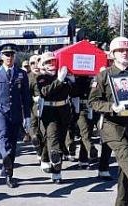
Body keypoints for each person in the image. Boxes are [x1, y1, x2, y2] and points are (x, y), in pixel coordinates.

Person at [89, 36, 128, 205]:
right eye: (120, 50)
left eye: (127, 50)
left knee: (126, 167)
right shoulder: (104, 76)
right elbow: (93, 102)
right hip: (112, 124)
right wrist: (112, 107)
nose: (124, 53)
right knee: (124, 153)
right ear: (113, 54)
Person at [0, 43, 31, 188]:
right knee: (3, 134)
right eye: (6, 54)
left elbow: (26, 96)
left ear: (14, 56)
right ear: (1, 56)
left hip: (15, 111)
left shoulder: (21, 74)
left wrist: (27, 116)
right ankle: (5, 156)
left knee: (12, 143)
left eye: (11, 54)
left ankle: (9, 174)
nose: (9, 57)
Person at [36, 52, 74, 183]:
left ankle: (45, 158)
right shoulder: (42, 78)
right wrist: (59, 80)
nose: (51, 64)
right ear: (43, 65)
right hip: (50, 112)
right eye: (48, 62)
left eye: (53, 61)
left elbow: (73, 93)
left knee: (59, 139)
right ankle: (57, 172)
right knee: (53, 140)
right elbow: (45, 92)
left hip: (64, 111)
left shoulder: (64, 75)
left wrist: (72, 80)